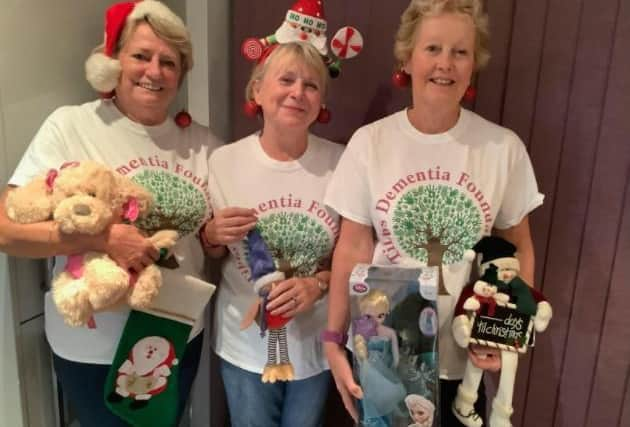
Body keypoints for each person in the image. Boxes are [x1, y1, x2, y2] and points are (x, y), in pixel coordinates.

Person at [321, 0, 544, 425]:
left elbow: (519, 247)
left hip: (463, 362)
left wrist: (505, 333)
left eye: (460, 52)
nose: (446, 64)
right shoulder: (370, 144)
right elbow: (352, 248)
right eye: (433, 49)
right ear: (407, 56)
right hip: (385, 354)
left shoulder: (502, 149)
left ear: (473, 62)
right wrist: (333, 340)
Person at [0, 1, 220, 426]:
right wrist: (101, 240)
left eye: (169, 62)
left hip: (177, 334)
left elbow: (208, 242)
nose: (154, 71)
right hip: (94, 346)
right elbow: (7, 231)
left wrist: (214, 238)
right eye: (140, 56)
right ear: (112, 61)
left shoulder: (203, 143)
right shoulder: (71, 126)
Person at [202, 41, 344, 427]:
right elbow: (216, 253)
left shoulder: (341, 164)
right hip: (244, 342)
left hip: (314, 342)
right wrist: (212, 234)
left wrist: (317, 284)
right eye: (286, 79)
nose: (298, 92)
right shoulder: (224, 162)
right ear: (257, 91)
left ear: (321, 101)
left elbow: (353, 257)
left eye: (311, 85)